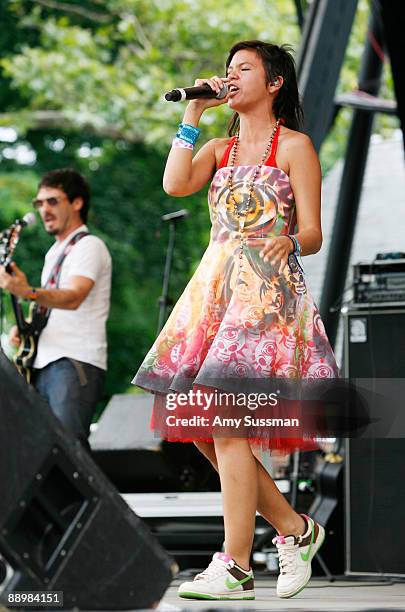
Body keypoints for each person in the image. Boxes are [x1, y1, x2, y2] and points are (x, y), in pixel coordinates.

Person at [133, 40, 340, 600]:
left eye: (243, 69)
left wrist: (290, 238)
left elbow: (315, 233)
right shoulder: (221, 148)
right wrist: (191, 115)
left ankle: (236, 565)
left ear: (273, 83)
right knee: (203, 429)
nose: (230, 77)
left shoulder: (294, 146)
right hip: (215, 290)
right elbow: (175, 184)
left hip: (265, 299)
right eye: (228, 70)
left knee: (223, 424)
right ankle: (297, 531)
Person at [0, 168, 112, 448]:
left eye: (53, 201)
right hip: (44, 362)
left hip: (73, 361)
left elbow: (73, 297)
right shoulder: (54, 253)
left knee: (68, 452)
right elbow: (50, 307)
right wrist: (24, 328)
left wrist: (26, 292)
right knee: (40, 453)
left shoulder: (89, 246)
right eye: (40, 203)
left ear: (77, 203)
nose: (44, 210)